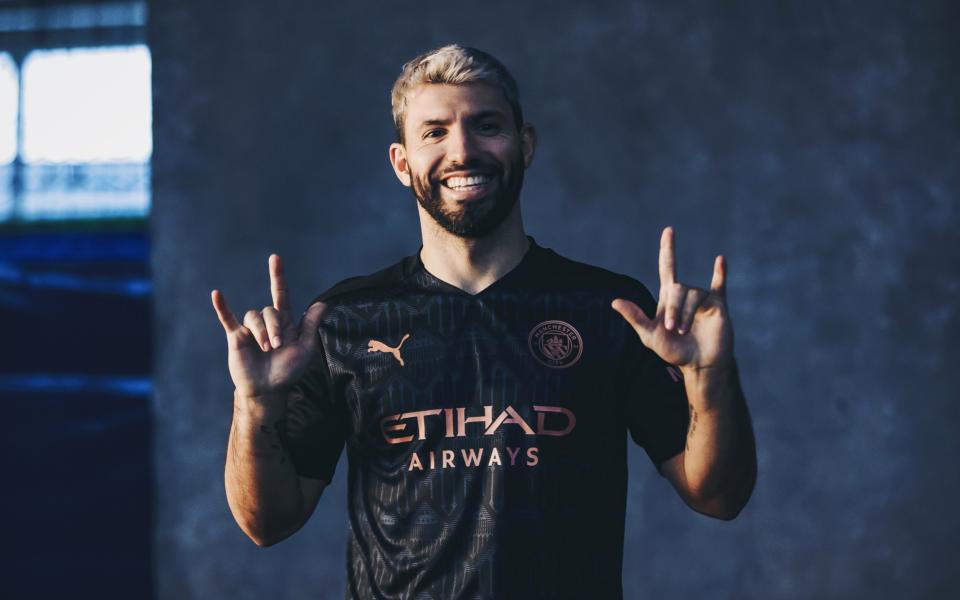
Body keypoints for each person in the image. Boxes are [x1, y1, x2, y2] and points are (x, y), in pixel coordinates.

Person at [211, 44, 756, 599]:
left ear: (526, 145)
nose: (463, 150)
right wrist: (254, 405)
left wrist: (710, 375)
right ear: (402, 163)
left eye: (486, 125)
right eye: (435, 132)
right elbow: (267, 523)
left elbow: (718, 496)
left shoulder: (609, 309)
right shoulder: (343, 322)